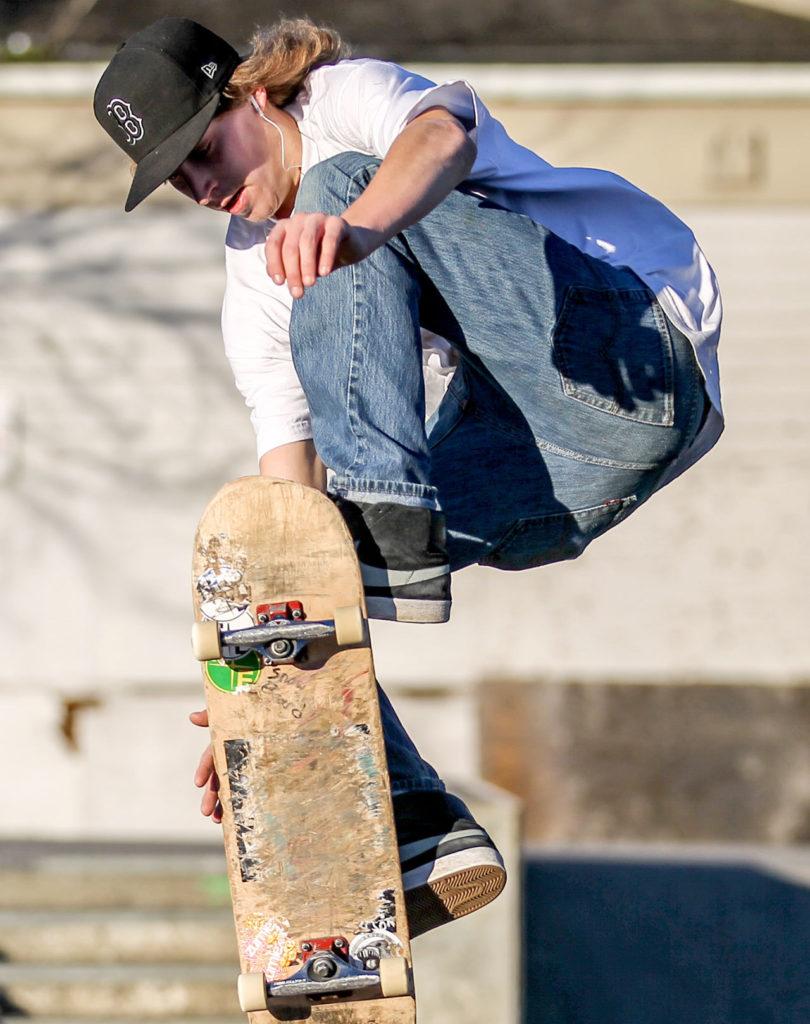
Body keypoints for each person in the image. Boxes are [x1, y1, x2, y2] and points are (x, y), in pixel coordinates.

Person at [94, 16, 723, 936]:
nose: (204, 186)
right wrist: (259, 690)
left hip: (630, 354)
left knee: (338, 188)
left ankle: (391, 520)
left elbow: (443, 137)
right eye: (180, 178)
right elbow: (292, 503)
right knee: (271, 589)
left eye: (205, 148)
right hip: (551, 478)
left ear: (252, 95)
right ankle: (424, 826)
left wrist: (355, 232)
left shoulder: (342, 100)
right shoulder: (251, 280)